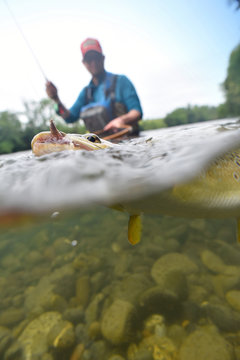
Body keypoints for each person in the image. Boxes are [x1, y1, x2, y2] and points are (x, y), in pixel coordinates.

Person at [46, 38, 143, 135]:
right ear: (84, 63)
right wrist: (56, 99)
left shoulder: (121, 81)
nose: (93, 63)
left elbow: (137, 112)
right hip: (99, 147)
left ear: (103, 58)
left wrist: (121, 120)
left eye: (96, 57)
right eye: (89, 59)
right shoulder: (85, 93)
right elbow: (69, 117)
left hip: (127, 142)